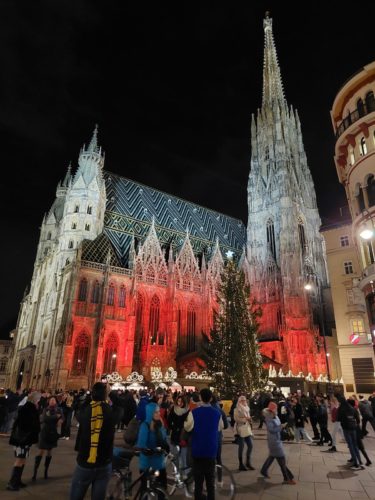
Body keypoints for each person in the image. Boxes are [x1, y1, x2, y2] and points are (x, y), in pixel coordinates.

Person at [69, 382, 120, 500]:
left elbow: (77, 409)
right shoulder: (110, 413)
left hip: (85, 462)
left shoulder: (86, 412)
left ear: (93, 395)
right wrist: (111, 393)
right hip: (104, 462)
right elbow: (121, 407)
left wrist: (89, 396)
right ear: (105, 395)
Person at [184, 388, 221, 500]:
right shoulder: (217, 413)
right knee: (210, 483)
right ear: (210, 398)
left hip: (198, 449)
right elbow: (220, 427)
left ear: (200, 397)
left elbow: (187, 427)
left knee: (198, 483)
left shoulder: (194, 412)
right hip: (211, 450)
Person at [6, 391, 41, 491]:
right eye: (38, 399)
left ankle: (18, 480)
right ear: (35, 399)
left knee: (23, 459)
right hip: (21, 439)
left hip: (25, 439)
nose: (38, 401)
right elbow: (23, 424)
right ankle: (12, 483)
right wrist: (33, 429)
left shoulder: (29, 407)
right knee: (19, 459)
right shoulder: (27, 408)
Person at [136, 401, 169, 495]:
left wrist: (166, 447)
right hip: (147, 462)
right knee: (145, 489)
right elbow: (141, 443)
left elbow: (164, 439)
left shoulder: (160, 425)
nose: (158, 414)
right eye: (156, 412)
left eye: (159, 411)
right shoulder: (145, 426)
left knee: (162, 488)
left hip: (159, 461)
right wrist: (147, 450)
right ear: (150, 413)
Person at [260, 401, 296, 485]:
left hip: (276, 440)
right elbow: (272, 430)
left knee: (272, 456)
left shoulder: (274, 416)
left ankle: (263, 470)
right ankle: (287, 478)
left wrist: (282, 425)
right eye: (275, 409)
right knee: (282, 460)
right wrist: (281, 427)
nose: (276, 410)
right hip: (274, 442)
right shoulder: (269, 418)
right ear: (271, 410)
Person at [32, 396, 63, 481]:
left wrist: (58, 418)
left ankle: (46, 470)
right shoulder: (46, 409)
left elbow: (62, 419)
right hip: (44, 432)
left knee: (49, 451)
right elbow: (45, 418)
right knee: (41, 451)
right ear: (48, 402)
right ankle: (35, 471)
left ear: (56, 402)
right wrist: (56, 417)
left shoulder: (59, 410)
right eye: (51, 400)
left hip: (53, 433)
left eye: (54, 400)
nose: (52, 401)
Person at [336, 394, 364, 471]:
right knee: (355, 445)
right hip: (353, 428)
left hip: (346, 428)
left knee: (351, 445)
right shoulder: (352, 407)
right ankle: (360, 461)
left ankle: (356, 463)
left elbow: (338, 419)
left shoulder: (341, 408)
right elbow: (358, 419)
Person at [234, 395, 254, 470]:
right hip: (240, 429)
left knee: (250, 445)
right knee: (241, 447)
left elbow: (248, 417)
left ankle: (248, 462)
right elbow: (236, 419)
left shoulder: (247, 408)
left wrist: (250, 419)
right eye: (242, 400)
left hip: (247, 429)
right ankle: (241, 464)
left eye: (245, 400)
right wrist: (245, 419)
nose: (244, 401)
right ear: (239, 401)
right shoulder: (236, 409)